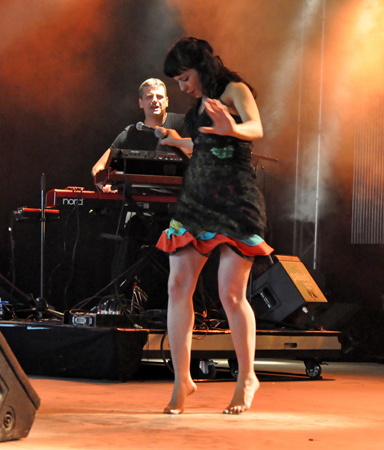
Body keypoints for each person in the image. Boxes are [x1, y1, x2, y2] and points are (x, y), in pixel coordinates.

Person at [155, 37, 273, 415]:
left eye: (184, 78)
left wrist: (231, 126)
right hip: (197, 200)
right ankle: (182, 381)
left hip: (234, 200)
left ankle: (247, 378)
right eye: (177, 81)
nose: (182, 87)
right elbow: (204, 146)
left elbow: (255, 128)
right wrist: (180, 141)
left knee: (230, 293)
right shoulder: (197, 108)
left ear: (201, 68)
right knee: (177, 286)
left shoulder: (234, 90)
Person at [91, 78, 186, 190]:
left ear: (167, 101)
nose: (155, 100)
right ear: (141, 103)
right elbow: (98, 167)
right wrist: (104, 185)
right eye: (149, 97)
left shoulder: (182, 123)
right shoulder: (130, 133)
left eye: (159, 96)